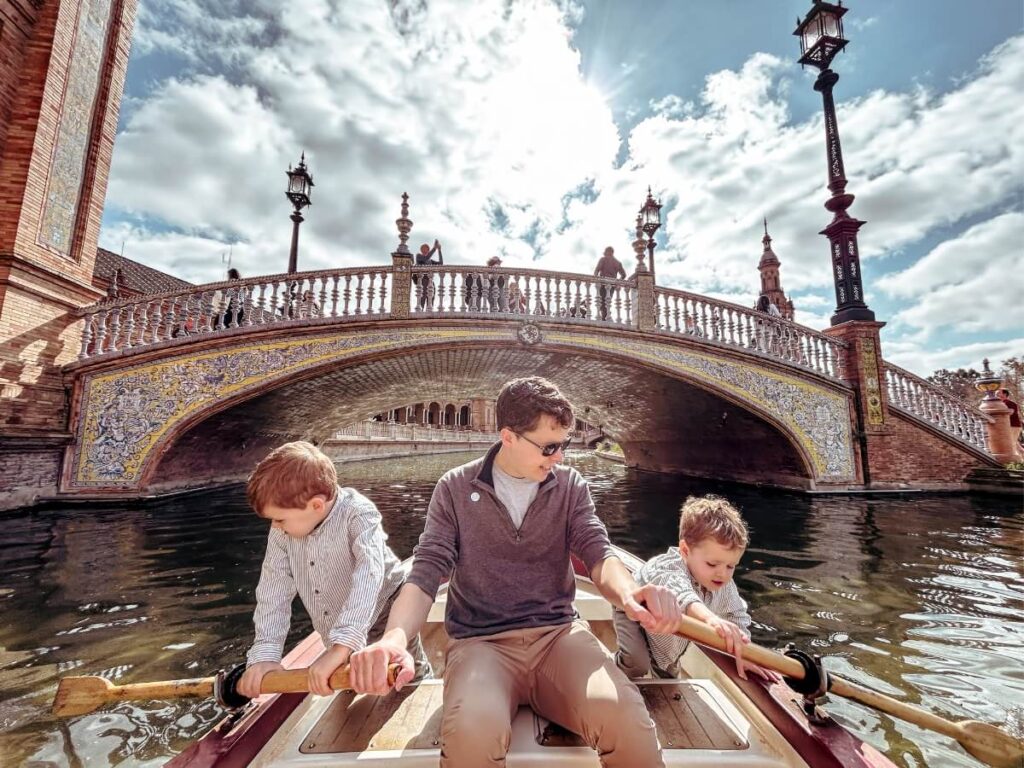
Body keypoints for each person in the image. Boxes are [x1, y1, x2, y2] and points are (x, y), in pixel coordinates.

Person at [349, 377, 682, 767]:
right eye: (549, 447)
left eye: (565, 445)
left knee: (627, 720)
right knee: (471, 732)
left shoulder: (570, 485)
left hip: (558, 637)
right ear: (508, 436)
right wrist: (393, 640)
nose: (559, 457)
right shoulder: (453, 489)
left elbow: (597, 553)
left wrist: (629, 594)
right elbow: (426, 573)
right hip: (480, 644)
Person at [237, 441, 431, 700]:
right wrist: (266, 654)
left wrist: (342, 647)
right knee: (348, 681)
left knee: (405, 677)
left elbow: (369, 577)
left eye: (280, 519)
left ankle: (420, 691)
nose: (276, 526)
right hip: (334, 620)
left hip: (385, 608)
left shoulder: (358, 513)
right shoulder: (282, 531)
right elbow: (273, 590)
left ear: (316, 505)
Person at [614, 495, 780, 683]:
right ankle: (610, 673)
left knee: (667, 673)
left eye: (731, 566)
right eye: (712, 564)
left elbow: (737, 616)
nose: (722, 574)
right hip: (635, 613)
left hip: (670, 636)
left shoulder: (724, 583)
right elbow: (682, 596)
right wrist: (711, 618)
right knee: (636, 664)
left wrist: (745, 653)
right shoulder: (669, 566)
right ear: (685, 550)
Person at [594, 246, 626, 321]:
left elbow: (596, 270)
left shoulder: (603, 259)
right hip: (612, 284)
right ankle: (606, 316)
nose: (605, 254)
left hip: (603, 283)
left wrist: (596, 279)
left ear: (608, 252)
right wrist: (618, 282)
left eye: (605, 253)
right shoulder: (618, 263)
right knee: (607, 300)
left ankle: (604, 318)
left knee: (602, 301)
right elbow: (624, 275)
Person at [414, 240, 443, 311]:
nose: (425, 250)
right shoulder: (419, 256)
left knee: (431, 299)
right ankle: (420, 313)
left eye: (427, 248)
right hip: (422, 281)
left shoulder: (430, 261)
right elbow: (425, 258)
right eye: (424, 248)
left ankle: (429, 313)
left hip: (430, 281)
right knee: (422, 299)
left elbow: (441, 263)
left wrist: (439, 250)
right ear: (421, 250)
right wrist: (434, 248)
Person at [997, 388, 1022, 459]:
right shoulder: (1001, 403)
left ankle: (1017, 461)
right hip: (1008, 426)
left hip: (1014, 426)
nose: (997, 394)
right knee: (1016, 446)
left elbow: (1011, 413)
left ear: (1004, 394)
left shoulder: (1009, 403)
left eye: (999, 393)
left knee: (1011, 445)